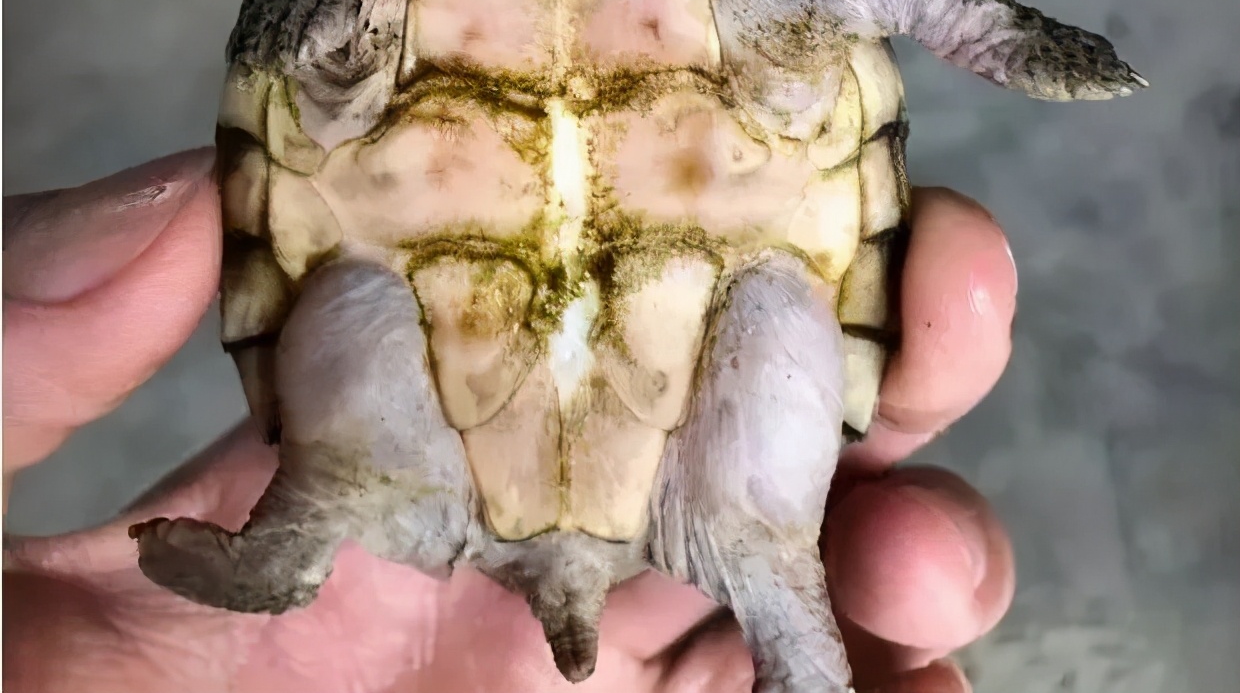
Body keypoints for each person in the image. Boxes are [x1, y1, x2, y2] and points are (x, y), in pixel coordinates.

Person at [4, 148, 1017, 692]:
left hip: (506, 358)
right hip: (583, 351)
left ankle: (794, 647)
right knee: (364, 320)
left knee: (775, 338)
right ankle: (291, 547)